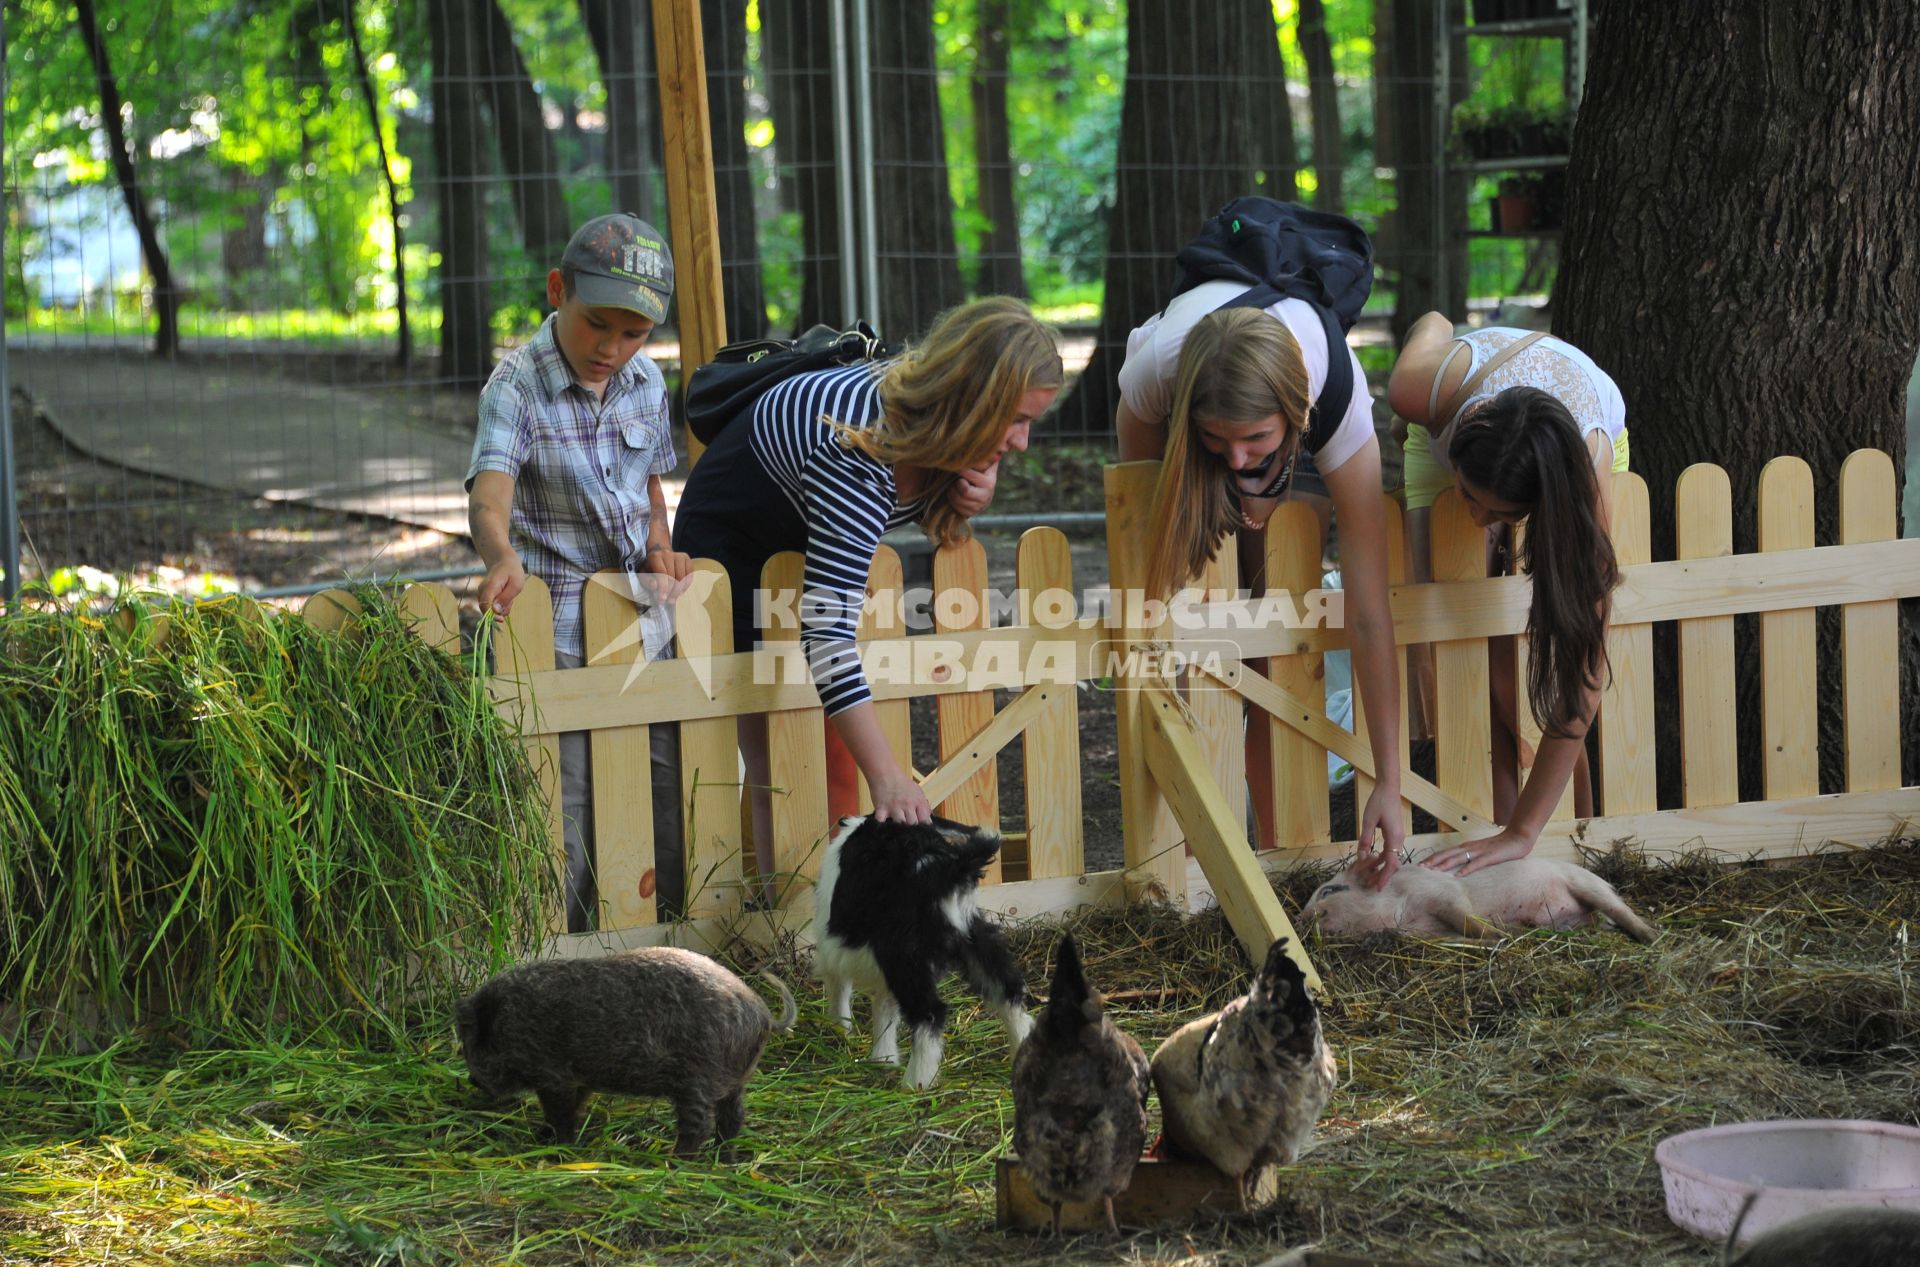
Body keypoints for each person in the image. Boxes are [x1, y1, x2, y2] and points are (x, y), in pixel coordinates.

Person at [673, 297, 1062, 896]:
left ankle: (827, 906)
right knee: (782, 755)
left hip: (794, 540)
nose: (1023, 443)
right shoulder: (859, 456)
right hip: (731, 559)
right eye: (1013, 420)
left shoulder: (927, 421)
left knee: (824, 741)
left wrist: (960, 498)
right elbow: (826, 637)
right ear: (969, 401)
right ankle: (799, 915)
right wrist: (887, 778)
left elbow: (912, 502)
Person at [1117, 301, 1407, 880]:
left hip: (1288, 429)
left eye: (1255, 440)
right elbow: (1152, 588)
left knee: (1274, 643)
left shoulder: (1339, 401)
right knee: (1201, 653)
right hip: (1179, 435)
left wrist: (1389, 780)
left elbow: (1370, 613)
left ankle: (1281, 854)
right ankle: (1196, 851)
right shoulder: (1153, 375)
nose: (1238, 457)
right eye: (1219, 439)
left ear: (1297, 414)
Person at [466, 212, 695, 930]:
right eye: (599, 325)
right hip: (557, 625)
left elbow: (651, 485)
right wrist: (500, 555)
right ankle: (555, 945)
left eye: (634, 334)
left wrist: (660, 543)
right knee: (567, 797)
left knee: (663, 779)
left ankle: (661, 931)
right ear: (558, 289)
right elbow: (488, 494)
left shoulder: (645, 384)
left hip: (639, 618)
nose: (613, 348)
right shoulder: (515, 386)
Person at [1384, 312, 1626, 879]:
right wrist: (1412, 426)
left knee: (1563, 634)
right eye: (1470, 496)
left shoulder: (1587, 478)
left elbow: (1582, 681)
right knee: (1442, 641)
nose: (1477, 519)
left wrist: (1521, 835)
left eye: (1501, 513)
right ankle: (1479, 805)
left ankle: (1573, 833)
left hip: (1586, 431)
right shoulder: (1422, 386)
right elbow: (1435, 320)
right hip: (1455, 409)